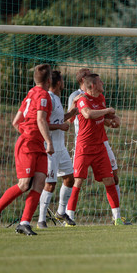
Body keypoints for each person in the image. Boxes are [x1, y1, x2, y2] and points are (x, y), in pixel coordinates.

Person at [0, 64, 54, 235]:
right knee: (23, 185)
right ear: (49, 80)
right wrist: (48, 141)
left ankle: (24, 222)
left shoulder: (30, 93)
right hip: (29, 145)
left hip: (35, 144)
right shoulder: (43, 95)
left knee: (39, 182)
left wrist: (30, 134)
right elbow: (40, 120)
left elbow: (16, 122)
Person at [66, 74, 126, 225]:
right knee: (78, 181)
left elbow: (100, 119)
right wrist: (107, 111)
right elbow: (87, 114)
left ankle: (117, 218)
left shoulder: (101, 98)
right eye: (100, 81)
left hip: (100, 147)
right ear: (92, 85)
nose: (103, 83)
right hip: (84, 147)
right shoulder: (82, 99)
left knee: (110, 179)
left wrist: (112, 121)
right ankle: (69, 218)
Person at [37, 70, 78, 228]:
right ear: (58, 82)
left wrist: (70, 114)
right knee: (50, 183)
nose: (63, 81)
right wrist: (60, 125)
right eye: (62, 79)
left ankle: (61, 212)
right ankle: (41, 219)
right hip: (50, 148)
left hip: (61, 148)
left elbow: (57, 119)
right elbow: (42, 123)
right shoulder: (48, 98)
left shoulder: (57, 99)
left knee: (69, 178)